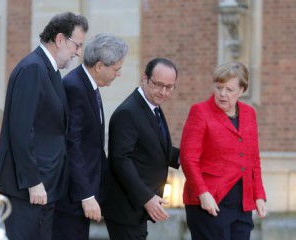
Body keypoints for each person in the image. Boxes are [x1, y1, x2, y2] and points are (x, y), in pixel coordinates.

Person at [0, 12, 88, 240]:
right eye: (77, 45)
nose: (78, 52)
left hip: (44, 187)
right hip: (27, 188)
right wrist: (33, 181)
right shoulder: (33, 69)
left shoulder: (50, 71)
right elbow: (20, 129)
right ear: (59, 39)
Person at [51, 33, 128, 240]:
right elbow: (72, 145)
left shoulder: (88, 85)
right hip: (71, 199)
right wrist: (86, 195)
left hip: (84, 195)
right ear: (100, 66)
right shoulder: (75, 87)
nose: (118, 74)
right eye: (116, 69)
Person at [180, 61, 267, 240]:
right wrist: (203, 194)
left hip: (242, 203)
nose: (222, 94)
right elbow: (188, 158)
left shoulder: (249, 113)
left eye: (229, 89)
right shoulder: (200, 112)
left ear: (242, 90)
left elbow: (253, 159)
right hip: (209, 202)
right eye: (219, 87)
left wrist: (258, 195)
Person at [101, 57, 180, 240]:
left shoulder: (152, 107)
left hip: (137, 209)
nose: (163, 92)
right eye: (158, 84)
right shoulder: (128, 112)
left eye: (169, 87)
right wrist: (146, 198)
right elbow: (120, 160)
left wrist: (187, 157)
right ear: (144, 79)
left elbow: (155, 148)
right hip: (126, 208)